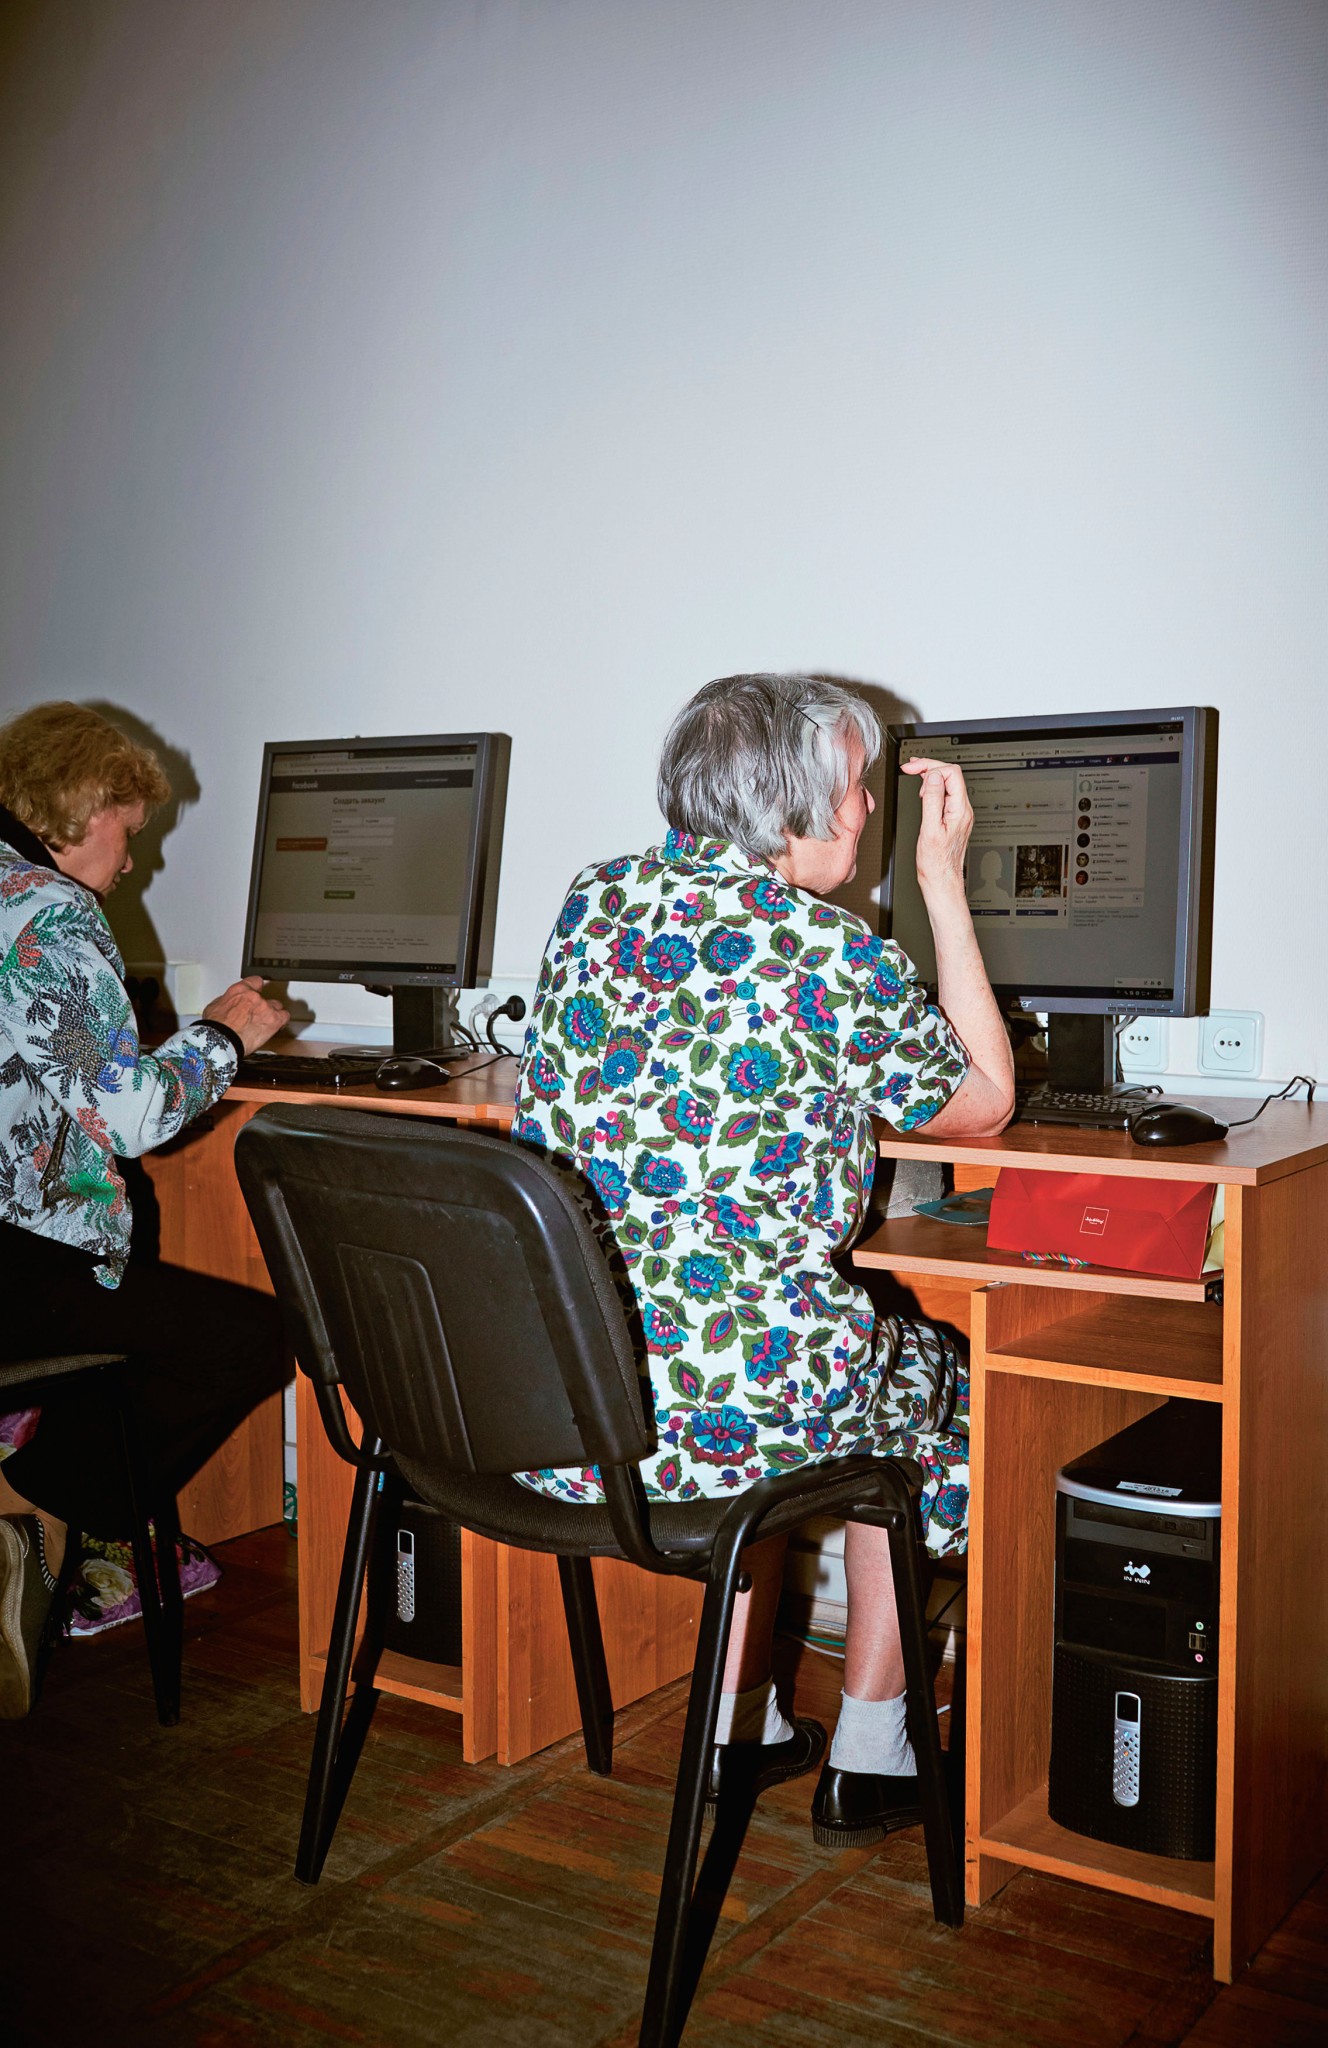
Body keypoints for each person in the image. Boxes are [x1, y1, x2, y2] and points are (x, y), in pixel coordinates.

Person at [511, 673, 1014, 1844]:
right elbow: (984, 1102)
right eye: (856, 788)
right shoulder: (829, 953)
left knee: (781, 1355)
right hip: (725, 1414)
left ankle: (735, 1727)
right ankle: (874, 1751)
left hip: (574, 1404)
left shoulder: (593, 899)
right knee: (948, 1392)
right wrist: (941, 882)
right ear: (794, 806)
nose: (866, 810)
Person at [0, 701, 290, 1716]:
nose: (133, 860)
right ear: (83, 814)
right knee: (256, 1336)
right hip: (17, 1269)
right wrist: (225, 1036)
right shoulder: (46, 911)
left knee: (138, 1260)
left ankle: (71, 1498)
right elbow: (129, 1118)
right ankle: (51, 1511)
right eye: (129, 831)